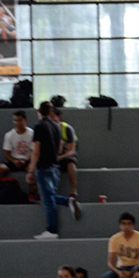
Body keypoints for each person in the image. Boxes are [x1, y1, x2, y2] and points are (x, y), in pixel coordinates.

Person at [30, 101, 81, 240]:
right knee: (49, 196)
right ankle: (67, 201)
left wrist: (31, 169)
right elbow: (59, 148)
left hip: (44, 167)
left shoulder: (39, 127)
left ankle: (52, 230)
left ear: (39, 112)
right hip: (55, 166)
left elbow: (36, 150)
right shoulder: (57, 127)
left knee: (48, 201)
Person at [0, 109, 35, 199]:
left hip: (27, 160)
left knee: (33, 170)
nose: (17, 123)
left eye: (20, 120)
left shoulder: (32, 134)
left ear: (25, 121)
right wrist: (14, 161)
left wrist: (25, 160)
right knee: (0, 169)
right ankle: (2, 190)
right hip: (13, 160)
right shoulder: (9, 135)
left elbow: (34, 152)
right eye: (15, 120)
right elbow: (7, 153)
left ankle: (33, 193)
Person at [50, 105, 79, 199]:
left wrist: (60, 157)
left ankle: (73, 191)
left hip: (66, 156)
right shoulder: (47, 128)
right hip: (53, 156)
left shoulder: (67, 129)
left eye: (53, 116)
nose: (51, 119)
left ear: (59, 117)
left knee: (71, 163)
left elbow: (72, 151)